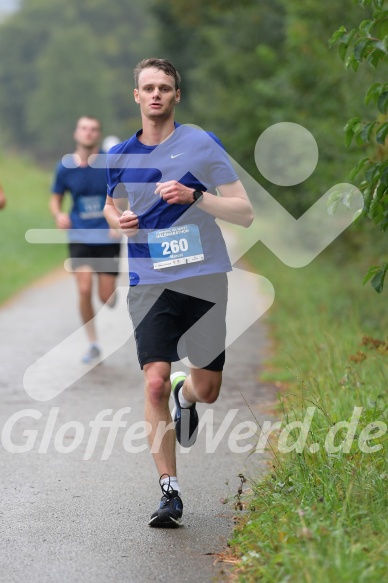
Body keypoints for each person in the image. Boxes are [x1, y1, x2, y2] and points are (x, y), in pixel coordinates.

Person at [104, 58, 254, 527]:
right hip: (150, 281)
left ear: (176, 95)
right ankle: (169, 492)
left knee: (208, 390)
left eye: (164, 88)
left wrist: (196, 197)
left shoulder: (201, 144)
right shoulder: (122, 156)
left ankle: (184, 397)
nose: (155, 95)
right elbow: (111, 207)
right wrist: (119, 223)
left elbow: (245, 212)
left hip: (204, 277)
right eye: (147, 87)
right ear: (136, 96)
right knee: (151, 380)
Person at [50, 116, 121, 364]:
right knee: (83, 288)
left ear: (98, 135)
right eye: (84, 129)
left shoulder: (108, 163)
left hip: (107, 235)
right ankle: (93, 343)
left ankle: (110, 295)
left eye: (93, 129)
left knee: (106, 297)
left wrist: (118, 220)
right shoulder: (65, 167)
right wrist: (59, 214)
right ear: (76, 134)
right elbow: (55, 197)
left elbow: (123, 195)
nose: (88, 133)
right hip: (80, 234)